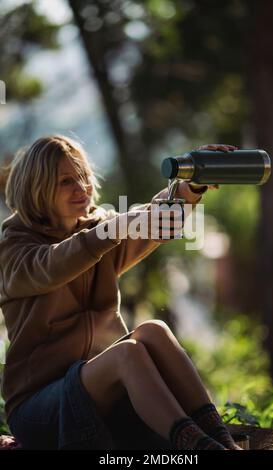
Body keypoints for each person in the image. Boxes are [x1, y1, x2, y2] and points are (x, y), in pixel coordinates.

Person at [0, 135, 241, 450]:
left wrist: (190, 184)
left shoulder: (98, 228)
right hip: (39, 409)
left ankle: (221, 440)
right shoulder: (15, 248)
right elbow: (51, 266)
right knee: (126, 352)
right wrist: (110, 230)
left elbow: (154, 218)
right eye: (65, 181)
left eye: (84, 177)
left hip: (101, 390)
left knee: (153, 330)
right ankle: (198, 446)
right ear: (37, 188)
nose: (82, 187)